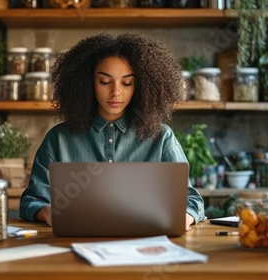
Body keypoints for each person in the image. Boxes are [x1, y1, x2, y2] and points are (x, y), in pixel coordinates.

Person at [19, 32, 206, 230]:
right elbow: (31, 201)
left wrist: (183, 218)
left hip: (145, 244)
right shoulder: (58, 139)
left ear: (141, 86)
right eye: (105, 82)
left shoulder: (161, 137)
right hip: (74, 245)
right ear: (87, 82)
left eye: (127, 83)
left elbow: (192, 201)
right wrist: (47, 212)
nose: (116, 92)